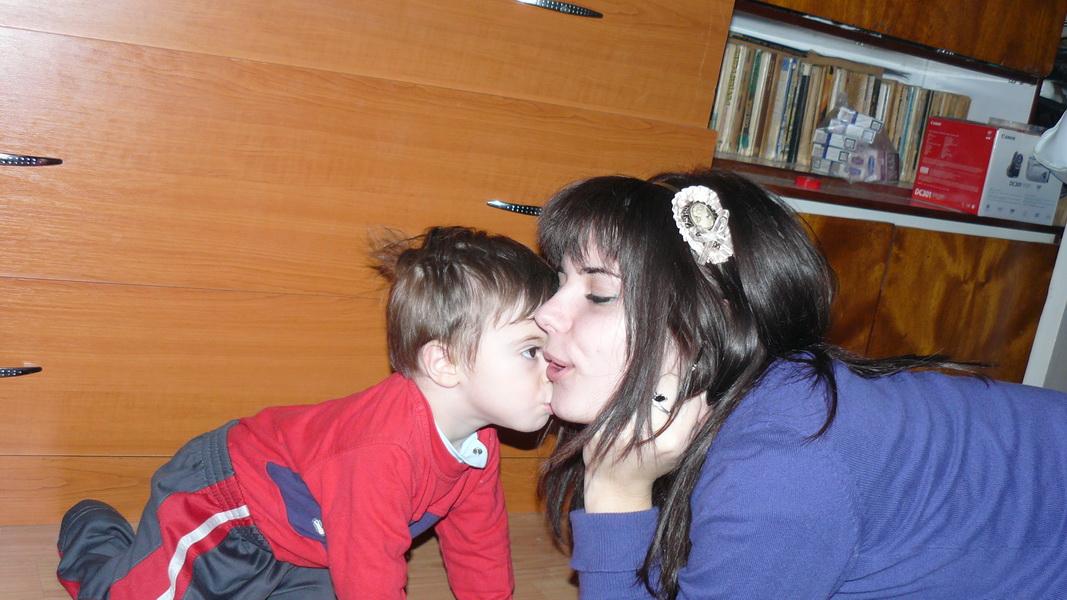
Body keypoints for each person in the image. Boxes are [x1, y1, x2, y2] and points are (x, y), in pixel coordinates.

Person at [533, 168, 1067, 599]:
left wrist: (616, 491)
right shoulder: (766, 400)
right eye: (560, 281)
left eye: (599, 294)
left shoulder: (780, 468)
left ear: (710, 321)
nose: (547, 314)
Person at [56, 226, 556, 600]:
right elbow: (372, 574)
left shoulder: (478, 442)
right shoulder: (382, 451)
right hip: (227, 503)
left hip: (309, 541)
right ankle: (92, 532)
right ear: (445, 363)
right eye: (531, 350)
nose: (555, 366)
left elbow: (478, 543)